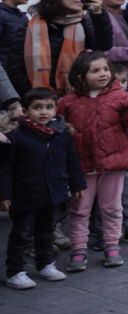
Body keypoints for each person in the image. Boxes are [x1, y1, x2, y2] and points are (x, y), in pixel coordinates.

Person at [58, 52, 128, 272]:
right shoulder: (68, 103)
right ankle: (79, 249)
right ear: (81, 76)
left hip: (113, 163)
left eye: (105, 69)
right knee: (80, 209)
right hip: (82, 165)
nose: (103, 74)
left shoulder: (120, 97)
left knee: (111, 207)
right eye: (95, 70)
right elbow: (59, 129)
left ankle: (112, 246)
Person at [3, 88, 84, 289]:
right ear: (25, 110)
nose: (44, 112)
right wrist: (5, 194)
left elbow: (72, 160)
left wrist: (77, 183)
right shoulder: (17, 136)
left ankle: (45, 263)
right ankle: (15, 271)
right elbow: (5, 168)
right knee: (21, 233)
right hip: (24, 194)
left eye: (49, 107)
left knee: (46, 230)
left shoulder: (61, 133)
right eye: (37, 108)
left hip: (52, 192)